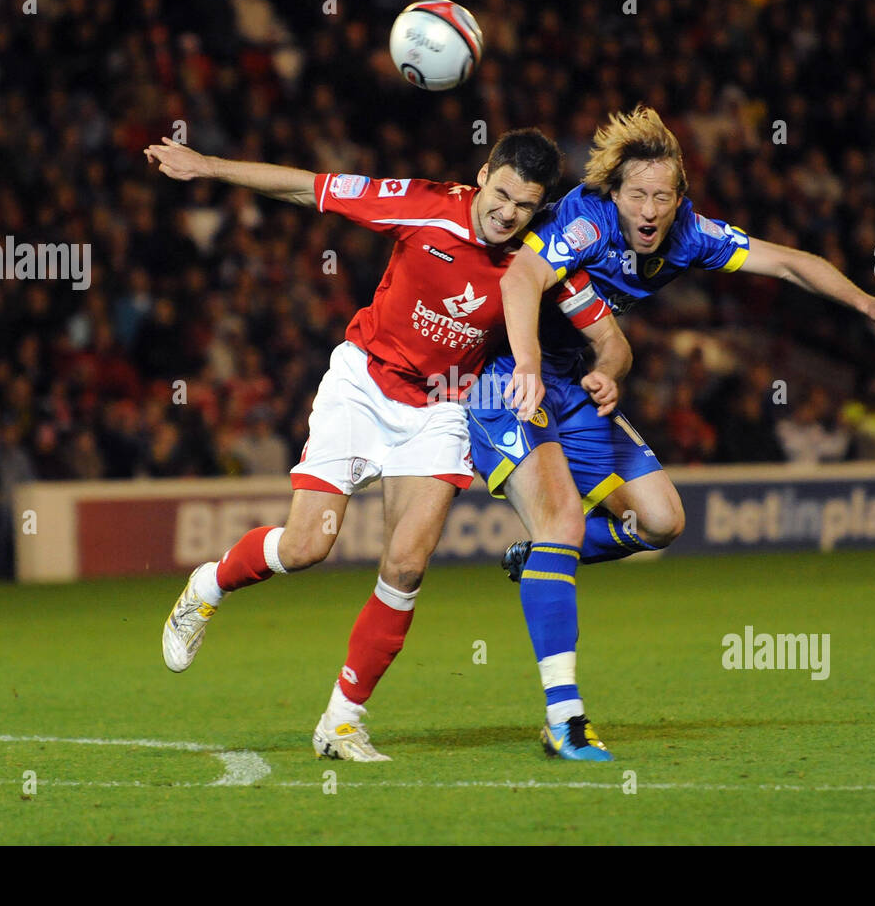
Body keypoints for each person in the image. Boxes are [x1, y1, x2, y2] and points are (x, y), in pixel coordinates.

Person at [143, 129, 627, 761]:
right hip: (363, 387)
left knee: (405, 567)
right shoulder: (421, 204)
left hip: (444, 406)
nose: (508, 213)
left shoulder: (540, 258)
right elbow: (306, 187)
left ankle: (341, 721)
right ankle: (209, 586)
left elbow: (609, 336)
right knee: (307, 545)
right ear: (483, 175)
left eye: (525, 206)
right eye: (502, 194)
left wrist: (608, 372)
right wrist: (205, 164)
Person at [471, 106, 875, 758]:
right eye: (637, 195)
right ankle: (564, 717)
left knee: (661, 520)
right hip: (507, 377)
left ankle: (541, 557)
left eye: (662, 194)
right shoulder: (582, 220)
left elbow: (789, 262)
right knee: (551, 526)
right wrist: (531, 366)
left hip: (575, 383)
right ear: (613, 192)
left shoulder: (688, 233)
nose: (650, 209)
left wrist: (866, 301)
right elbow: (520, 276)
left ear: (680, 197)